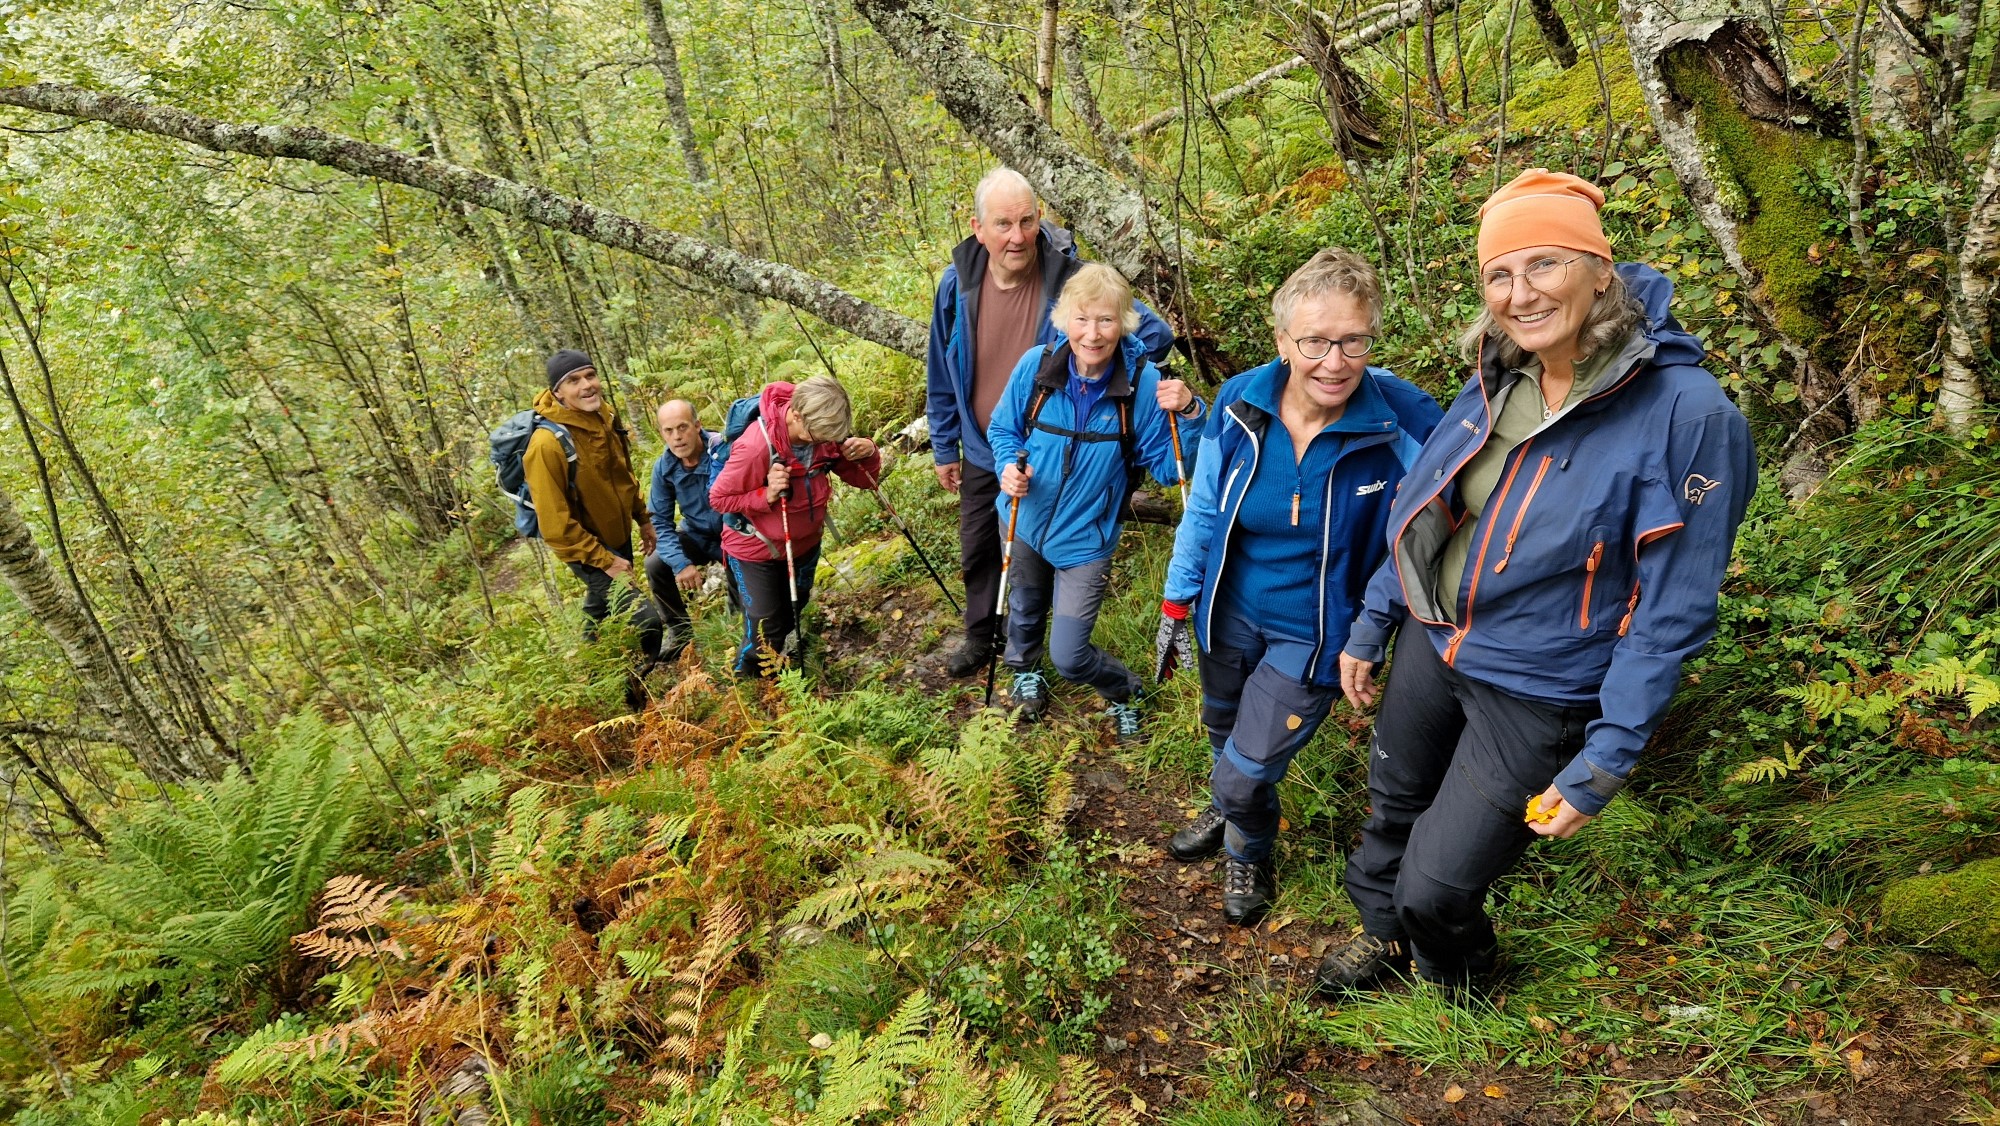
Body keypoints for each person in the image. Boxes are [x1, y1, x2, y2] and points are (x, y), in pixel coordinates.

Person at [1316, 170, 1756, 998]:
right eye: (1499, 275)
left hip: (1541, 683)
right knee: (1392, 805)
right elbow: (1430, 509)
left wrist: (1606, 759)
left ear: (1600, 270)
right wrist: (1376, 620)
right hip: (1436, 641)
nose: (1520, 295)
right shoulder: (1501, 376)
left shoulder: (1689, 416)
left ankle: (1458, 987)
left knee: (1437, 884)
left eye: (1545, 264)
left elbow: (1674, 610)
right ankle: (1383, 936)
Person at [1156, 249, 1442, 927]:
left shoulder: (1402, 417)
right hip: (1228, 615)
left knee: (1245, 771)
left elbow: (1428, 533)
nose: (1335, 362)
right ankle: (1231, 805)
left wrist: (1370, 630)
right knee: (1223, 734)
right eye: (1315, 341)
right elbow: (1204, 510)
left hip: (1315, 634)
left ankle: (1246, 844)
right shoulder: (1241, 403)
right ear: (1282, 341)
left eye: (1353, 341)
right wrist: (1176, 599)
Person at [927, 168, 1175, 679]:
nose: (1017, 236)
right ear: (978, 228)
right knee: (982, 547)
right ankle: (984, 637)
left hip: (1055, 445)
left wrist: (1106, 365)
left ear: (1040, 218)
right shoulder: (957, 284)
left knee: (1032, 549)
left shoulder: (1068, 278)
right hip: (986, 442)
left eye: (1026, 221)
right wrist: (944, 442)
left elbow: (1151, 331)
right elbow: (940, 366)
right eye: (1003, 224)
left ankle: (1034, 651)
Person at [987, 263, 1204, 743]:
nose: (1092, 333)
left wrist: (1190, 414)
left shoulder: (1143, 387)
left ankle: (1126, 690)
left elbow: (1171, 470)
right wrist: (1007, 467)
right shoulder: (1036, 366)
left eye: (1106, 320)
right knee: (1024, 608)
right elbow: (1003, 429)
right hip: (1022, 520)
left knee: (1069, 655)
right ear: (1065, 319)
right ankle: (1025, 672)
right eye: (1082, 319)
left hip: (1087, 540)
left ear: (1123, 323)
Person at [708, 375, 881, 677]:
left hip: (804, 543)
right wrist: (766, 494)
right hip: (754, 548)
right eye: (819, 435)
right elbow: (719, 498)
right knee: (764, 622)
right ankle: (748, 679)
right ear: (797, 415)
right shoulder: (755, 446)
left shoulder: (824, 428)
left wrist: (868, 452)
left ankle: (782, 668)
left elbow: (862, 480)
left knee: (792, 609)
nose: (825, 442)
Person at [522, 349, 661, 661]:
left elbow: (622, 474)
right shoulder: (546, 445)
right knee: (646, 620)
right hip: (586, 549)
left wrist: (643, 519)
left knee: (599, 611)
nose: (586, 385)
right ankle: (642, 675)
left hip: (617, 534)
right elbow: (556, 526)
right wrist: (605, 561)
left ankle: (594, 670)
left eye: (590, 375)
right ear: (557, 392)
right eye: (574, 380)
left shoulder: (605, 416)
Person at [642, 399, 734, 660]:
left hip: (734, 532)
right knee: (655, 563)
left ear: (697, 426)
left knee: (745, 598)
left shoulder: (723, 450)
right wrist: (680, 563)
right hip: (696, 534)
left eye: (682, 427)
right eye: (669, 430)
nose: (677, 437)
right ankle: (680, 631)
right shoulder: (664, 467)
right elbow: (660, 521)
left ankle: (738, 628)